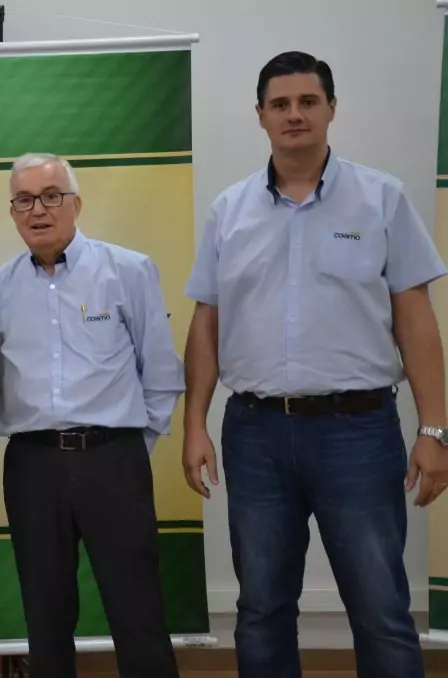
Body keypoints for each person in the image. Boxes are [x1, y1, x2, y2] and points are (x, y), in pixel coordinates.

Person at [183, 51, 448, 678]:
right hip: (255, 433)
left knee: (381, 607)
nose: (294, 115)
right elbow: (207, 322)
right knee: (262, 606)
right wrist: (194, 422)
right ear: (260, 116)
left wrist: (435, 429)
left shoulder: (382, 199)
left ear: (331, 108)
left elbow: (416, 319)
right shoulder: (230, 210)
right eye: (280, 104)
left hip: (357, 433)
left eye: (307, 102)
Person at [0, 152, 184, 678]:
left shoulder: (128, 269)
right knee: (45, 613)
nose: (38, 210)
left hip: (113, 458)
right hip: (32, 465)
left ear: (76, 204)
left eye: (51, 196)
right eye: (23, 200)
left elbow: (159, 371)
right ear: (12, 211)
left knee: (136, 608)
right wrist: (33, 430)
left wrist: (133, 448)